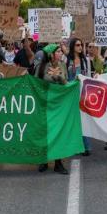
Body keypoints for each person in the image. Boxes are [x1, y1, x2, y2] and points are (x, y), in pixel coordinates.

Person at [35, 43, 69, 174]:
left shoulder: (63, 65)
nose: (61, 53)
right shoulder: (41, 66)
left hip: (58, 104)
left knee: (58, 132)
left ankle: (58, 163)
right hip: (45, 103)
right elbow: (36, 84)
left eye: (61, 51)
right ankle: (43, 160)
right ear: (51, 54)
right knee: (45, 132)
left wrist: (60, 78)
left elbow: (65, 82)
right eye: (58, 51)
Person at [66, 37, 92, 156]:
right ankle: (74, 145)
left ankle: (86, 147)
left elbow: (88, 77)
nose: (80, 47)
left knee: (84, 120)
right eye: (77, 45)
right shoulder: (66, 60)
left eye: (81, 44)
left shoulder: (85, 60)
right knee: (73, 120)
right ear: (72, 47)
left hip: (83, 93)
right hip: (71, 93)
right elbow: (65, 77)